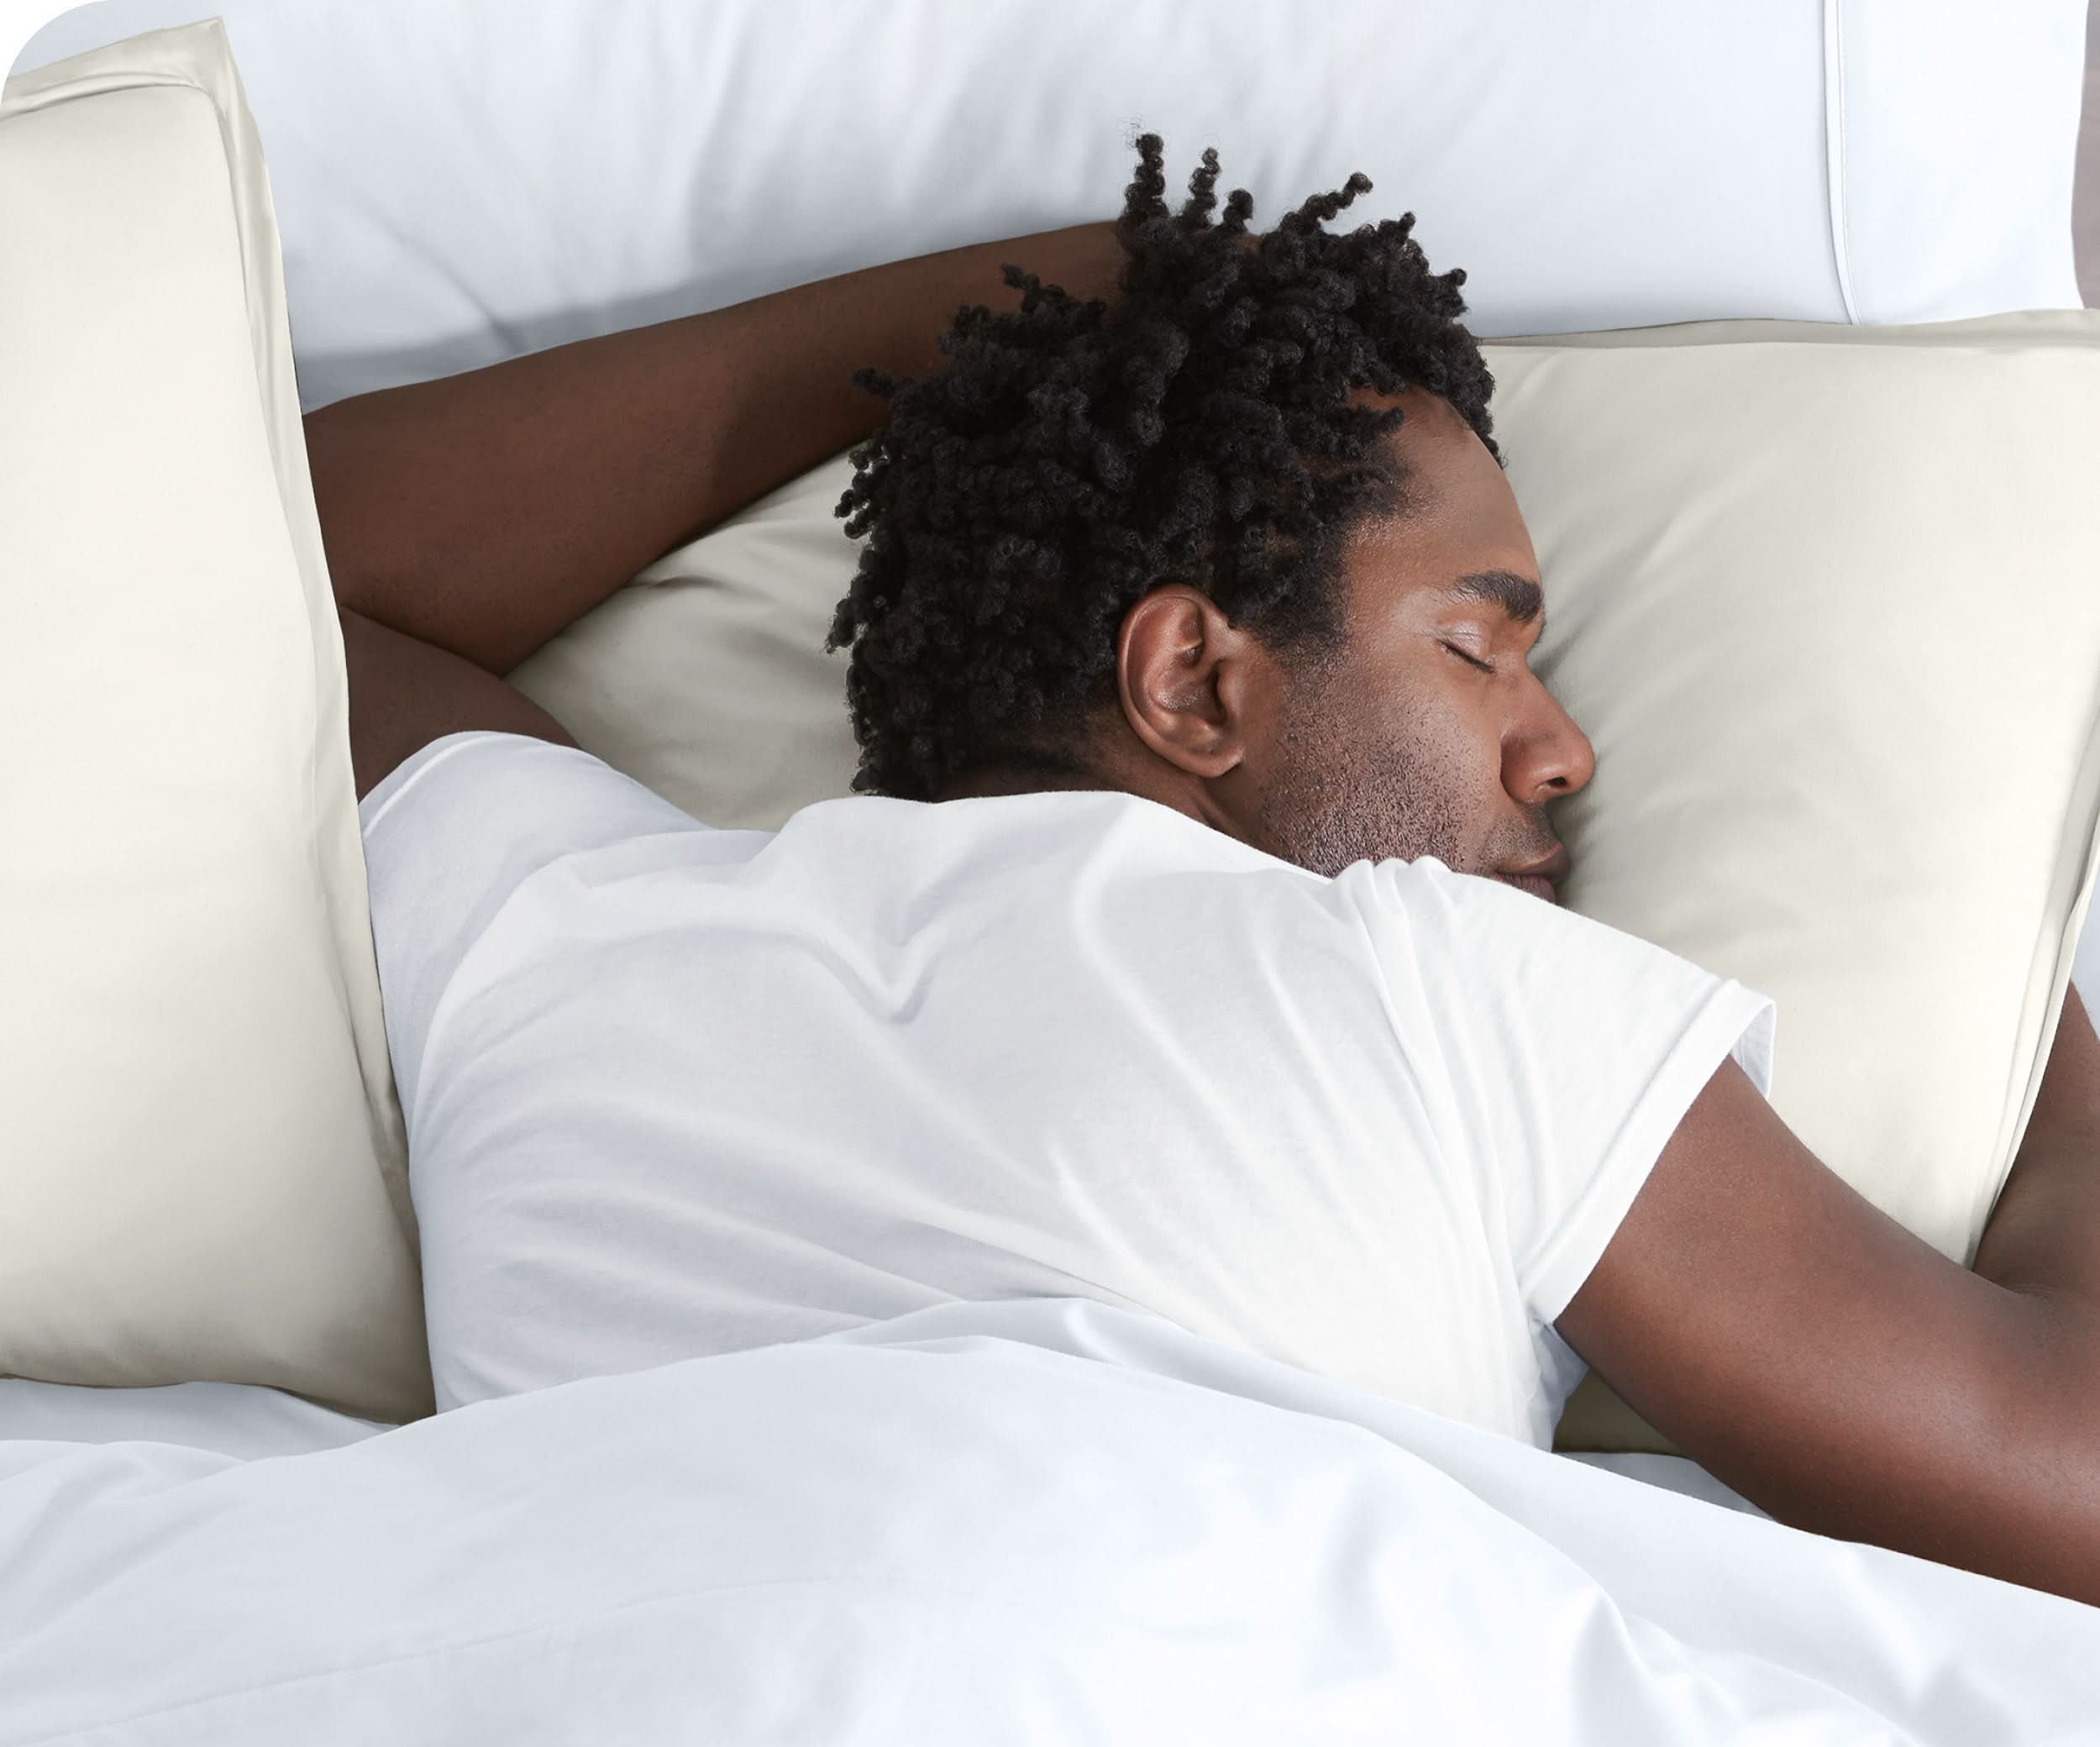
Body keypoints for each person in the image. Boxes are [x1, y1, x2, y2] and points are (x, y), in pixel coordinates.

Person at [306, 140, 2100, 1608]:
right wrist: (2016, 991)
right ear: (1190, 678)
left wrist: (1015, 305)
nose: (1560, 750)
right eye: (1477, 647)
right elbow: (2070, 1472)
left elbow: (269, 564)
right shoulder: (1442, 990)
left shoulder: (550, 926)